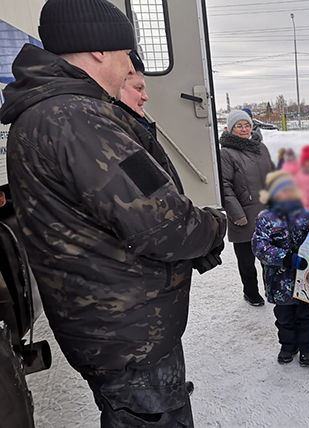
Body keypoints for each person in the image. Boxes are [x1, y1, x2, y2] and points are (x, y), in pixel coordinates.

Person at [0, 1, 228, 426]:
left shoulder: (51, 113)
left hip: (109, 329)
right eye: (126, 55)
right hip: (128, 336)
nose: (129, 68)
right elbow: (165, 224)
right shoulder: (77, 118)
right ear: (99, 51)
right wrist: (215, 225)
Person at [252, 171, 309, 366]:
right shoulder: (265, 218)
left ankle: (307, 348)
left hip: (304, 280)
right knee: (284, 317)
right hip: (278, 281)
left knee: (306, 316)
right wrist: (286, 258)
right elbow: (260, 247)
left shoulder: (305, 215)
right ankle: (288, 346)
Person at [221, 109, 275, 307]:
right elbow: (224, 185)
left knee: (269, 256)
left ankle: (271, 289)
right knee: (246, 261)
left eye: (247, 125)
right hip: (242, 214)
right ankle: (251, 292)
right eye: (239, 125)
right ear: (231, 128)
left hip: (267, 213)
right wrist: (237, 214)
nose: (244, 129)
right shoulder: (226, 153)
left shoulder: (261, 148)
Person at [116, 50, 185, 193]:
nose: (145, 97)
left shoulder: (136, 127)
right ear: (116, 88)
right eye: (138, 88)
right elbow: (153, 195)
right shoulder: (122, 133)